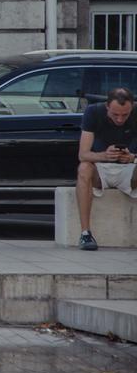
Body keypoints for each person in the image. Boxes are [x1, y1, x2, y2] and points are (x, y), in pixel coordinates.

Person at [75, 87, 137, 251]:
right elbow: (83, 154)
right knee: (84, 169)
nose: (120, 119)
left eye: (125, 115)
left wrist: (132, 157)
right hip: (100, 168)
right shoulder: (93, 112)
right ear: (107, 106)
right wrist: (104, 155)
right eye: (115, 114)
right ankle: (85, 233)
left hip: (130, 168)